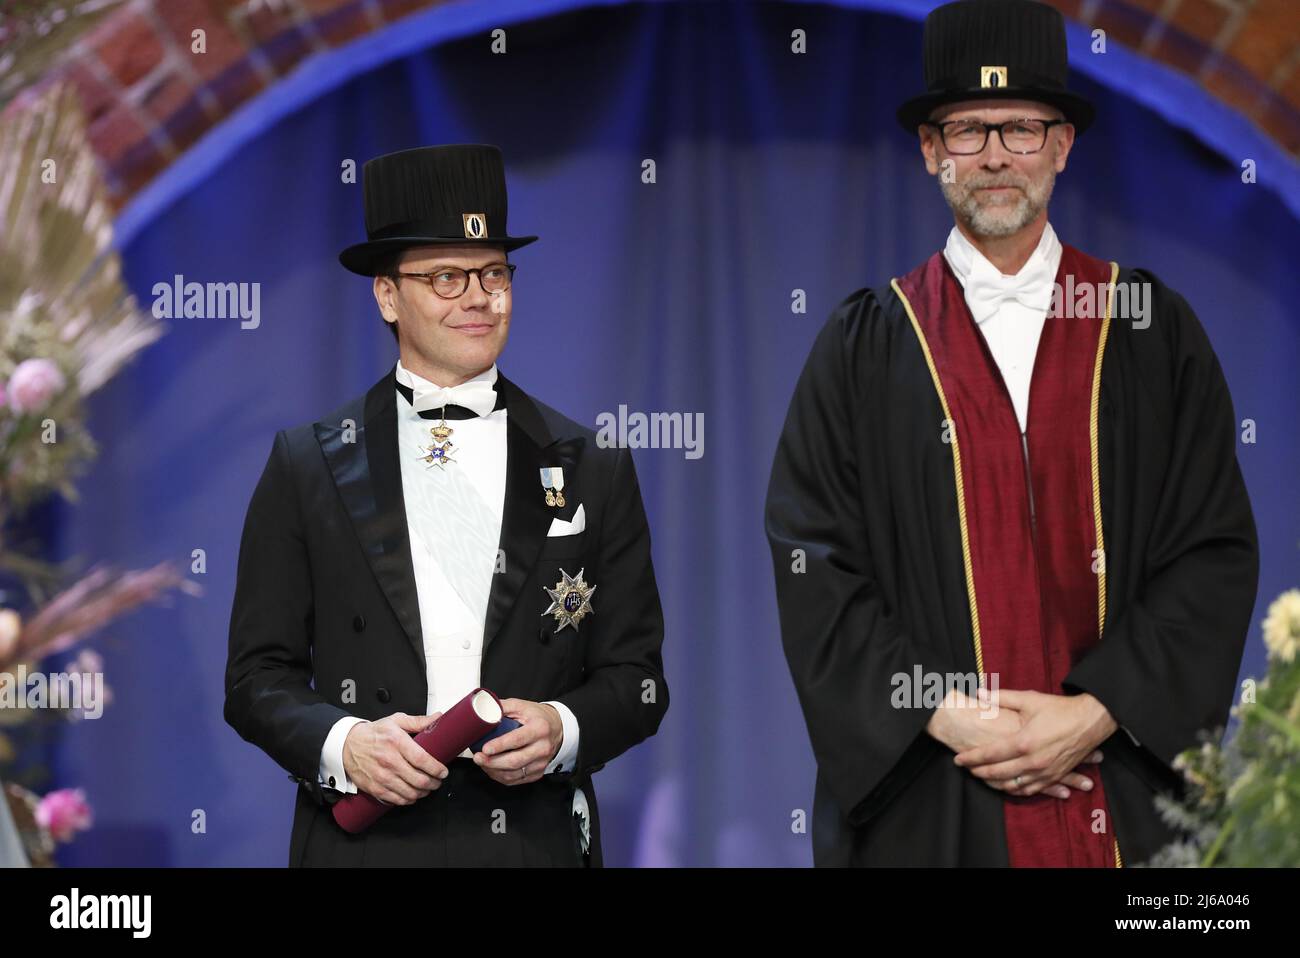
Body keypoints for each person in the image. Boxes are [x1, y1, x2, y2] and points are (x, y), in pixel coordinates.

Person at [765, 0, 1258, 866]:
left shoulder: (1147, 328)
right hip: (938, 786)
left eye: (1022, 129)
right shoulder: (863, 344)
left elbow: (1211, 550)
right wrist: (951, 716)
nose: (995, 155)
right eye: (967, 130)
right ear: (930, 153)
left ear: (1063, 146)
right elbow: (816, 566)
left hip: (1122, 785)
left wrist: (1096, 712)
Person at [225, 144, 668, 866]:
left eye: (494, 272)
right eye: (446, 276)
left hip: (532, 840)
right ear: (387, 294)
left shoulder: (592, 465)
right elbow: (253, 680)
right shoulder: (307, 462)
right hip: (364, 841)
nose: (480, 297)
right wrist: (346, 743)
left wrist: (564, 726)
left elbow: (641, 681)